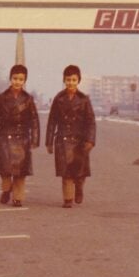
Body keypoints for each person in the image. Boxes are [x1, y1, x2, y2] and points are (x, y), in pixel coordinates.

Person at [0, 64, 40, 207]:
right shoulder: (2, 98)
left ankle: (18, 197)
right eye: (15, 78)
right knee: (5, 170)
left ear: (24, 81)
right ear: (10, 79)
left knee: (21, 173)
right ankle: (6, 189)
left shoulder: (28, 99)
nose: (17, 82)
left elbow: (34, 120)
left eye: (21, 79)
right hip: (5, 136)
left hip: (22, 138)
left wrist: (35, 138)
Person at [46, 64, 96, 208]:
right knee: (66, 172)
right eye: (68, 80)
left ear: (78, 81)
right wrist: (49, 142)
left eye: (74, 80)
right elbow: (52, 121)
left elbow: (90, 121)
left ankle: (79, 187)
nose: (71, 83)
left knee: (80, 172)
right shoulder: (59, 98)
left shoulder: (84, 99)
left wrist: (90, 140)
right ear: (64, 80)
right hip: (62, 139)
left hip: (80, 141)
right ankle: (68, 199)